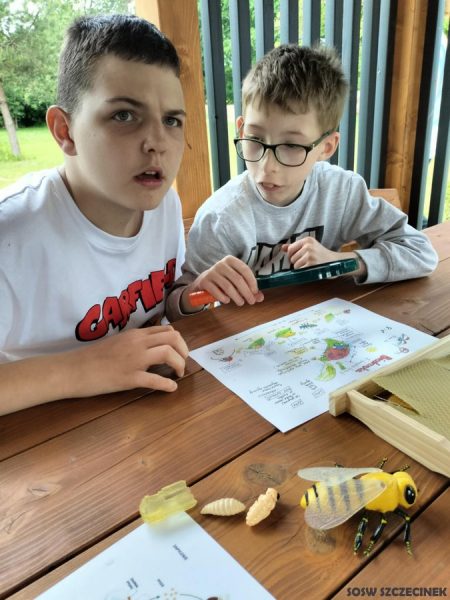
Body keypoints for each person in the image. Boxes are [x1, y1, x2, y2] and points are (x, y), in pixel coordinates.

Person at [0, 14, 191, 415]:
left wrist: (192, 294)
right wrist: (82, 369)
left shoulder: (163, 205)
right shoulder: (11, 238)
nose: (158, 143)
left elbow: (158, 306)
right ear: (64, 130)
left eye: (172, 120)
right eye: (124, 115)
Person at [166, 44, 438, 316]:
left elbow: (420, 252)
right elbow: (175, 309)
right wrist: (195, 292)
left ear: (326, 147)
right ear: (241, 129)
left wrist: (341, 262)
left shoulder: (341, 193)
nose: (267, 166)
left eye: (292, 146)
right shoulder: (220, 218)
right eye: (255, 139)